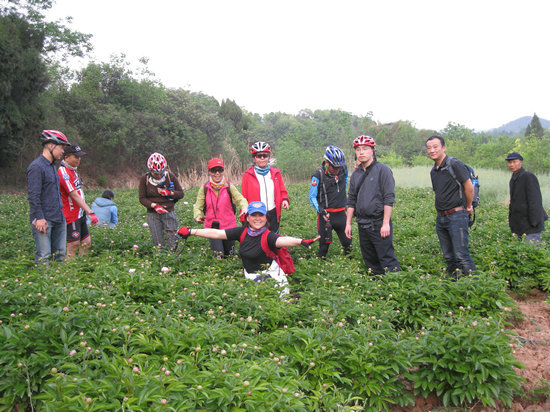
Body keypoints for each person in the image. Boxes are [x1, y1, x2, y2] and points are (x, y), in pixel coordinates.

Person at [178, 201, 319, 296]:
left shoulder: (268, 236)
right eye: (253, 215)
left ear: (266, 217)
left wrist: (300, 241)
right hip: (251, 276)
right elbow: (216, 233)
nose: (257, 219)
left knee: (278, 306)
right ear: (247, 218)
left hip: (272, 277)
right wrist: (191, 231)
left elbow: (282, 240)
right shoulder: (242, 232)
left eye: (261, 215)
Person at [345, 136, 400, 275]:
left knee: (387, 258)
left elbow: (389, 198)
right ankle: (376, 284)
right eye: (358, 149)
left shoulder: (383, 170)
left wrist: (385, 223)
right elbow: (351, 200)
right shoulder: (356, 174)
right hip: (362, 223)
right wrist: (348, 224)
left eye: (365, 149)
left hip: (378, 222)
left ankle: (395, 284)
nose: (361, 152)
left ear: (372, 151)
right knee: (369, 260)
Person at [426, 135, 477, 278]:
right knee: (448, 256)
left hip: (457, 215)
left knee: (461, 255)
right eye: (429, 148)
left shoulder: (455, 164)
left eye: (435, 147)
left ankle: (475, 284)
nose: (432, 150)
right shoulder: (434, 171)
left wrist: (468, 206)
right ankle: (456, 283)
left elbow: (469, 187)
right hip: (441, 217)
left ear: (443, 148)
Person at [26, 130, 71, 264]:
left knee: (60, 255)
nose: (63, 151)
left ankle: (58, 277)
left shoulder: (52, 167)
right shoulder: (36, 167)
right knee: (44, 255)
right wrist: (39, 217)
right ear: (51, 145)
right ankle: (42, 277)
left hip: (58, 217)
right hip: (44, 219)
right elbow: (33, 196)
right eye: (61, 147)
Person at [193, 158, 248, 257]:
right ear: (209, 172)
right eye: (214, 170)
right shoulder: (204, 188)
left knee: (230, 256)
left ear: (223, 171)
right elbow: (198, 206)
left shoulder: (229, 186)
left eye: (220, 170)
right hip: (212, 228)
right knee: (219, 255)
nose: (217, 173)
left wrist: (244, 207)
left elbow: (240, 199)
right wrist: (197, 216)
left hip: (229, 227)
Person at [309, 145, 352, 258]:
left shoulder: (343, 169)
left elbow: (345, 181)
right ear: (327, 162)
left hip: (341, 214)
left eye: (339, 167)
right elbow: (312, 197)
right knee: (323, 248)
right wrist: (321, 210)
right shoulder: (318, 175)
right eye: (334, 167)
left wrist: (342, 197)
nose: (337, 170)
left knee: (348, 245)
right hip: (326, 216)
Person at [58, 144, 99, 258]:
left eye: (79, 157)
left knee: (86, 242)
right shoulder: (63, 172)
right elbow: (74, 195)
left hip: (80, 214)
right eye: (76, 157)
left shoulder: (73, 170)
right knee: (74, 244)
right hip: (71, 215)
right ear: (66, 157)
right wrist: (90, 211)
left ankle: (81, 265)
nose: (79, 159)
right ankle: (70, 267)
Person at [241, 141, 289, 233]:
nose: (262, 158)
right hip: (257, 215)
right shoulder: (248, 175)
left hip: (273, 213)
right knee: (258, 239)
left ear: (269, 157)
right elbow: (244, 197)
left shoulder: (276, 174)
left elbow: (282, 191)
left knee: (273, 239)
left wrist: (285, 200)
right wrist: (244, 217)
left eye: (265, 155)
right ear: (254, 158)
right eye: (259, 156)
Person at [139, 152, 184, 250]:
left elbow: (181, 194)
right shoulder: (144, 179)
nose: (159, 175)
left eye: (161, 172)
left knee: (173, 241)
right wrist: (154, 205)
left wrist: (169, 193)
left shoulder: (170, 176)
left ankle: (175, 256)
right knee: (158, 243)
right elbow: (142, 198)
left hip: (169, 212)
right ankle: (160, 257)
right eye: (156, 173)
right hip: (153, 214)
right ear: (150, 170)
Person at [506, 152, 547, 245]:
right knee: (521, 251)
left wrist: (534, 222)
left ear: (520, 162)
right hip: (519, 225)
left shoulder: (528, 176)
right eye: (509, 162)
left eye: (514, 162)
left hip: (530, 225)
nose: (511, 165)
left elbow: (535, 200)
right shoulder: (514, 178)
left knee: (531, 250)